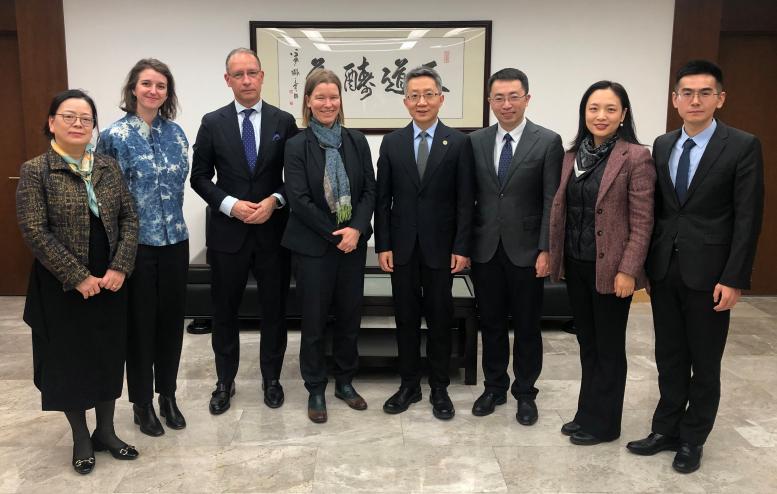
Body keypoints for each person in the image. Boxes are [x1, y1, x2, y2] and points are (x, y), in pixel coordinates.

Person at [627, 60, 764, 473]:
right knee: (669, 355)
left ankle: (692, 438)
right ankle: (665, 428)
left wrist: (734, 277)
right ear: (675, 99)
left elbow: (748, 218)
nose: (695, 100)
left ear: (720, 98)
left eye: (705, 93)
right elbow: (661, 210)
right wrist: (648, 266)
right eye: (687, 93)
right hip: (666, 269)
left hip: (712, 274)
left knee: (704, 361)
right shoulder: (663, 144)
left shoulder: (741, 145)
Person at [16, 89, 140, 474]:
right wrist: (77, 276)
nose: (78, 124)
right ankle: (81, 437)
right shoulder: (36, 170)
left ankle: (106, 431)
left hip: (110, 276)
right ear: (52, 122)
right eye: (69, 116)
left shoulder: (106, 167)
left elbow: (129, 217)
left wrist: (120, 266)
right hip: (61, 282)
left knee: (108, 353)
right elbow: (35, 230)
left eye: (86, 119)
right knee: (70, 358)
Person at [191, 48, 298, 414]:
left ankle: (272, 379)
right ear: (228, 80)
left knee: (274, 311)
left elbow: (296, 177)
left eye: (252, 73)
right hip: (228, 234)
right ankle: (225, 381)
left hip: (273, 233)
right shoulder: (212, 122)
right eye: (238, 74)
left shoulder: (284, 121)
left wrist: (275, 201)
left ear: (262, 76)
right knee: (224, 311)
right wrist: (230, 205)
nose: (246, 80)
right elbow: (199, 177)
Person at [548, 81, 656, 445]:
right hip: (577, 264)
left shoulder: (636, 157)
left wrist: (628, 270)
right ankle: (586, 413)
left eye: (610, 109)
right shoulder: (572, 156)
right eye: (593, 108)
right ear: (584, 113)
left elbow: (643, 221)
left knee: (608, 346)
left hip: (612, 269)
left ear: (623, 114)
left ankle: (605, 424)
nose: (601, 116)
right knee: (588, 342)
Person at [375, 66, 473, 420]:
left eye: (428, 95)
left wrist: (461, 248)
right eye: (414, 96)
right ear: (405, 102)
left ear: (440, 99)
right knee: (405, 319)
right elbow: (382, 199)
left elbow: (466, 201)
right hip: (402, 248)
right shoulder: (392, 143)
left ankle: (439, 388)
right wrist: (383, 245)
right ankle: (409, 385)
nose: (421, 102)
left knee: (439, 319)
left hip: (442, 250)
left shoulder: (459, 143)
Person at [98, 58, 189, 437]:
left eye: (161, 86)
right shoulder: (114, 137)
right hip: (134, 247)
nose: (154, 91)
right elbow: (105, 198)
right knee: (140, 327)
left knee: (171, 323)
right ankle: (141, 403)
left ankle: (167, 395)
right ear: (133, 88)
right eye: (147, 84)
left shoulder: (176, 133)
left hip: (175, 242)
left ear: (168, 93)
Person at [467, 68, 563, 424]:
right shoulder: (475, 141)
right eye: (499, 98)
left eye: (513, 97)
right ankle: (494, 387)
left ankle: (525, 392)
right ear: (489, 101)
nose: (506, 104)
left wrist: (546, 249)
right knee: (491, 323)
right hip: (486, 248)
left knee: (526, 326)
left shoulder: (547, 141)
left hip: (528, 250)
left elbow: (552, 199)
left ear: (527, 98)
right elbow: (469, 197)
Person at [282, 69, 376, 423]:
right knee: (314, 321)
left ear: (340, 100)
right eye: (320, 97)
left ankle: (345, 382)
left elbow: (369, 189)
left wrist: (356, 229)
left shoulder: (356, 141)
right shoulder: (296, 145)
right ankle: (316, 387)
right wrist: (337, 234)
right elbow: (298, 198)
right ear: (308, 101)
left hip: (352, 245)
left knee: (349, 317)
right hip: (313, 247)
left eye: (333, 97)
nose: (327, 103)